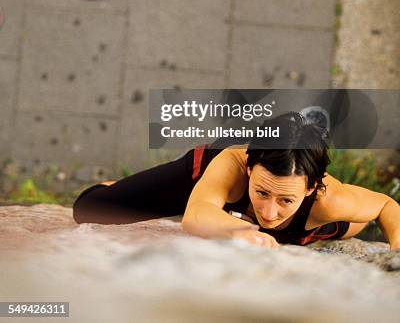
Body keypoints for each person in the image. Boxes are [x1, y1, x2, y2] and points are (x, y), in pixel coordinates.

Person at [72, 113, 400, 249]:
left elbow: (386, 205)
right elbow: (195, 216)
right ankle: (124, 187)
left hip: (313, 223)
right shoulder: (231, 164)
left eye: (286, 199)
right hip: (210, 184)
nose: (269, 213)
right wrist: (244, 231)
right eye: (262, 192)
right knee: (89, 209)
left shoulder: (333, 201)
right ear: (248, 168)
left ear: (311, 189)